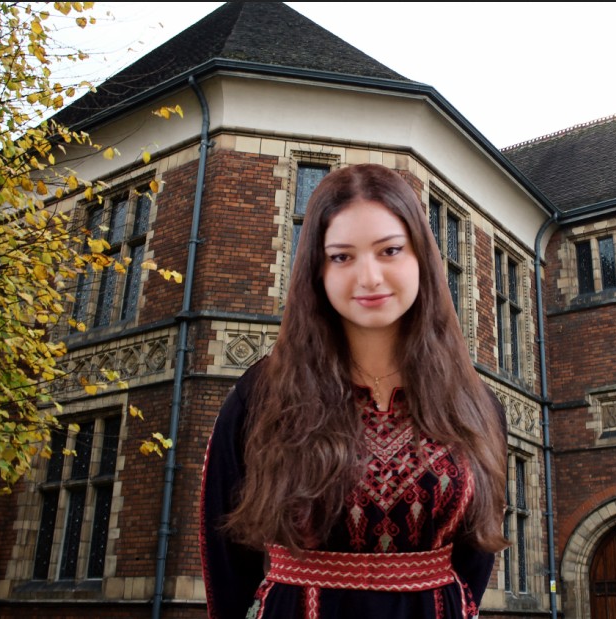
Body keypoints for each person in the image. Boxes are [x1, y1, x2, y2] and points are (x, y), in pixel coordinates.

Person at [200, 163, 508, 619]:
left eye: (390, 250)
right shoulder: (263, 395)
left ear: (421, 258)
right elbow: (225, 556)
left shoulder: (476, 404)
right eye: (342, 257)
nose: (369, 277)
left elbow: (475, 556)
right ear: (317, 270)